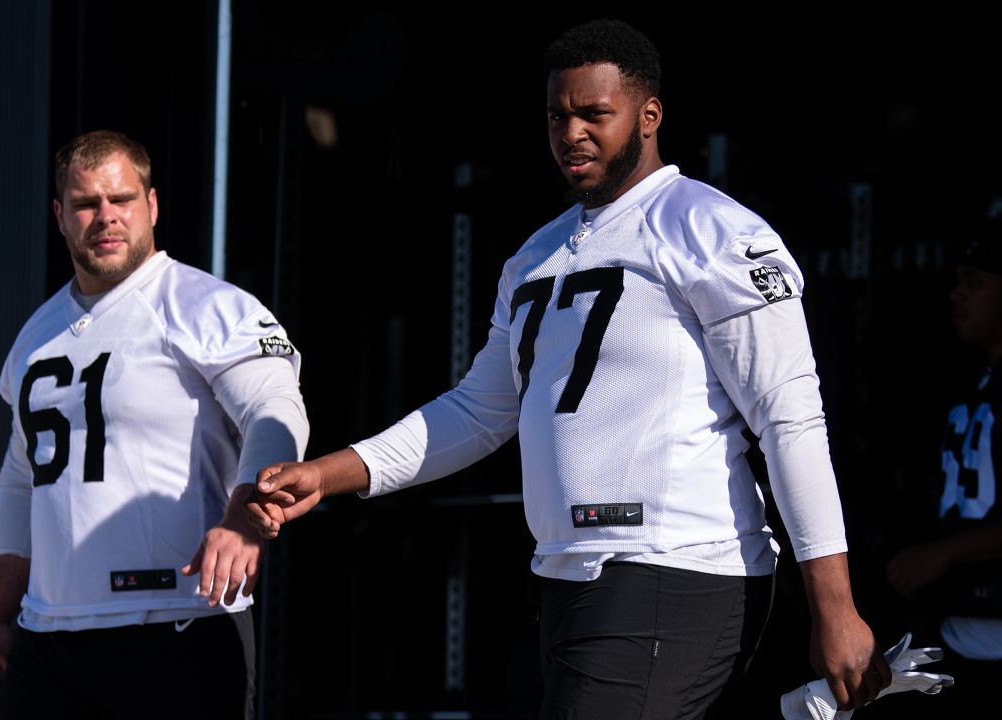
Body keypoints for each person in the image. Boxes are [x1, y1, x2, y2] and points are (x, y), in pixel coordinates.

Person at [248, 19, 889, 719]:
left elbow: (789, 417)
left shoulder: (710, 228)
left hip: (674, 570)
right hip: (565, 577)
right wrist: (330, 472)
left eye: (594, 114)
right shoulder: (536, 255)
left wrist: (835, 606)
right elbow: (479, 410)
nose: (571, 132)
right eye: (558, 115)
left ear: (649, 117)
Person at [0, 130, 309, 719]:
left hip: (178, 626)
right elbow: (21, 481)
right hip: (47, 638)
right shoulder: (34, 336)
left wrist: (245, 514)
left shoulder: (208, 307)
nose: (105, 217)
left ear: (151, 204)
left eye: (121, 199)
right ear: (60, 215)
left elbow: (276, 412)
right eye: (85, 204)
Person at [884, 216, 1002, 715]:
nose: (957, 295)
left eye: (974, 282)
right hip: (959, 634)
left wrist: (948, 552)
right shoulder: (969, 384)